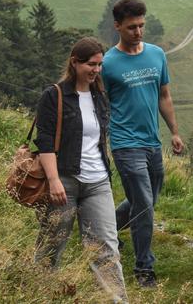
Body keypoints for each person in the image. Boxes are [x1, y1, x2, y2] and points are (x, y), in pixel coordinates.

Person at [34, 37, 127, 303]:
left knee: (106, 249)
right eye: (90, 64)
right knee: (52, 246)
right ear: (74, 62)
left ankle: (117, 300)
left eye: (99, 65)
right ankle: (38, 294)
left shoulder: (100, 96)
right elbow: (45, 142)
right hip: (64, 181)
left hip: (98, 182)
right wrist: (53, 181)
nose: (96, 70)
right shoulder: (54, 95)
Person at [102, 0, 184, 288]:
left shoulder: (156, 54)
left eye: (141, 26)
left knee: (144, 202)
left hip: (152, 141)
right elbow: (101, 104)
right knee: (145, 206)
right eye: (131, 27)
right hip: (125, 143)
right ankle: (143, 268)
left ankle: (104, 232)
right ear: (117, 27)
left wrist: (174, 132)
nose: (138, 32)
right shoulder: (108, 64)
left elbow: (164, 96)